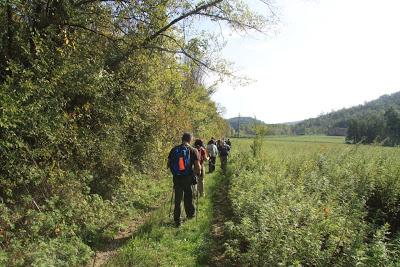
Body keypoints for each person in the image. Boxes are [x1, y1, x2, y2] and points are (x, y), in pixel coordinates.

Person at [168, 133, 201, 227]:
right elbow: (197, 166)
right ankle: (190, 214)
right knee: (188, 196)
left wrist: (176, 172)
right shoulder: (193, 150)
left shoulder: (174, 149)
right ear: (190, 139)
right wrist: (197, 174)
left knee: (177, 199)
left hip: (177, 178)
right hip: (187, 178)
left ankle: (177, 220)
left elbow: (168, 164)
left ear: (182, 139)